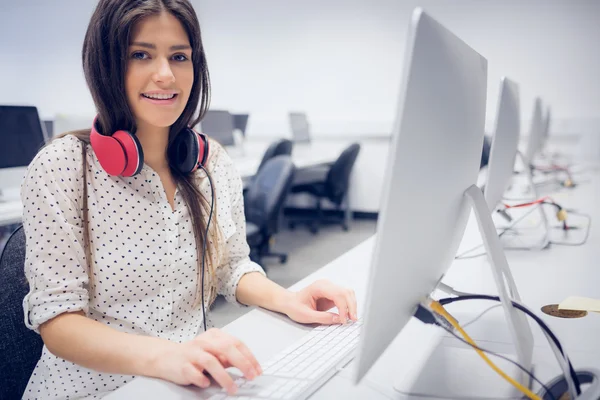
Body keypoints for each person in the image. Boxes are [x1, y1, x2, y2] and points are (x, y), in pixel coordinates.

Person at [20, 0, 357, 398]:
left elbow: (231, 267)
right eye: (140, 54)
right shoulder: (62, 167)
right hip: (94, 389)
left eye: (179, 56)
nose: (165, 75)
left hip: (189, 380)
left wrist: (288, 298)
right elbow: (58, 321)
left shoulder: (210, 162)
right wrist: (166, 357)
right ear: (106, 65)